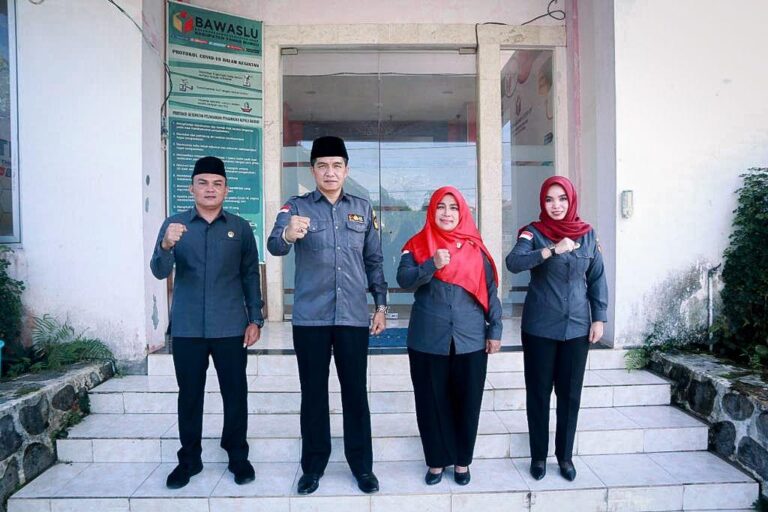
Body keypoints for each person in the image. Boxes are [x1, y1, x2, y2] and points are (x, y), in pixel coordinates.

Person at [267, 136, 387, 495]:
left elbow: (374, 261)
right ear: (313, 170)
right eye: (322, 165)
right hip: (311, 320)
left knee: (355, 394)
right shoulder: (295, 206)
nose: (330, 172)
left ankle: (362, 467)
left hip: (352, 318)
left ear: (346, 170)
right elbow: (274, 245)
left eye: (336, 165)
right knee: (314, 394)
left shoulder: (362, 208)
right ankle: (313, 466)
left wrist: (381, 306)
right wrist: (288, 234)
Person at [150, 156, 263, 489]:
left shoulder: (240, 228)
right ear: (192, 188)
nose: (210, 189)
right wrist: (166, 244)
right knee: (189, 395)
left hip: (230, 326)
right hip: (187, 328)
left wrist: (255, 318)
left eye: (217, 184)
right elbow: (158, 270)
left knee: (235, 393)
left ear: (226, 190)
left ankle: (237, 455)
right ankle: (189, 459)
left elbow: (250, 275)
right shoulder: (174, 225)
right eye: (203, 183)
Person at [397, 186, 502, 486]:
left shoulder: (476, 249)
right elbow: (404, 280)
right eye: (440, 207)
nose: (446, 213)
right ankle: (435, 461)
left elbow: (490, 292)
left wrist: (495, 329)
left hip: (470, 338)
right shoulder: (416, 245)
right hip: (427, 339)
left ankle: (461, 461)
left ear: (462, 212)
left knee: (467, 402)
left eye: (453, 207)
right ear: (432, 211)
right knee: (431, 402)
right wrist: (431, 264)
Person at [505, 175, 608, 482]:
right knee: (538, 394)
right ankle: (538, 457)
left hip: (576, 328)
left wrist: (599, 317)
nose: (556, 205)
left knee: (570, 395)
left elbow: (597, 277)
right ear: (543, 203)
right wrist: (551, 249)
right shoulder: (532, 232)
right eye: (550, 199)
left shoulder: (588, 235)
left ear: (571, 200)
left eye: (562, 199)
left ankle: (565, 457)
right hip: (539, 328)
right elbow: (513, 262)